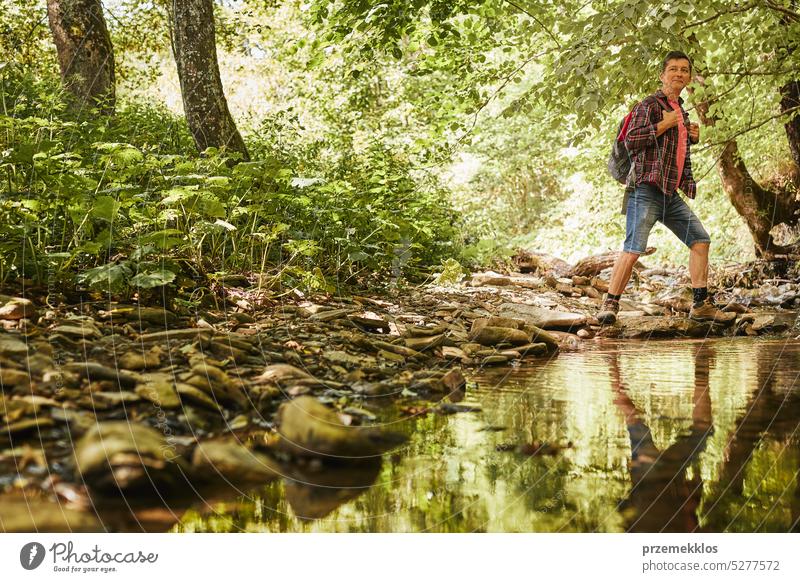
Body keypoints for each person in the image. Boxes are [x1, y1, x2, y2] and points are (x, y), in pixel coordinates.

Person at [597, 51, 736, 325]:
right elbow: (633, 140)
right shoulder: (648, 105)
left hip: (669, 193)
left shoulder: (681, 111)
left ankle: (700, 305)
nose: (679, 74)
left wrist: (690, 136)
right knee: (634, 248)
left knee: (700, 240)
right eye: (673, 69)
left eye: (684, 70)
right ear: (662, 75)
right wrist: (665, 123)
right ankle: (609, 304)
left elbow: (674, 152)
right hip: (645, 189)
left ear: (689, 77)